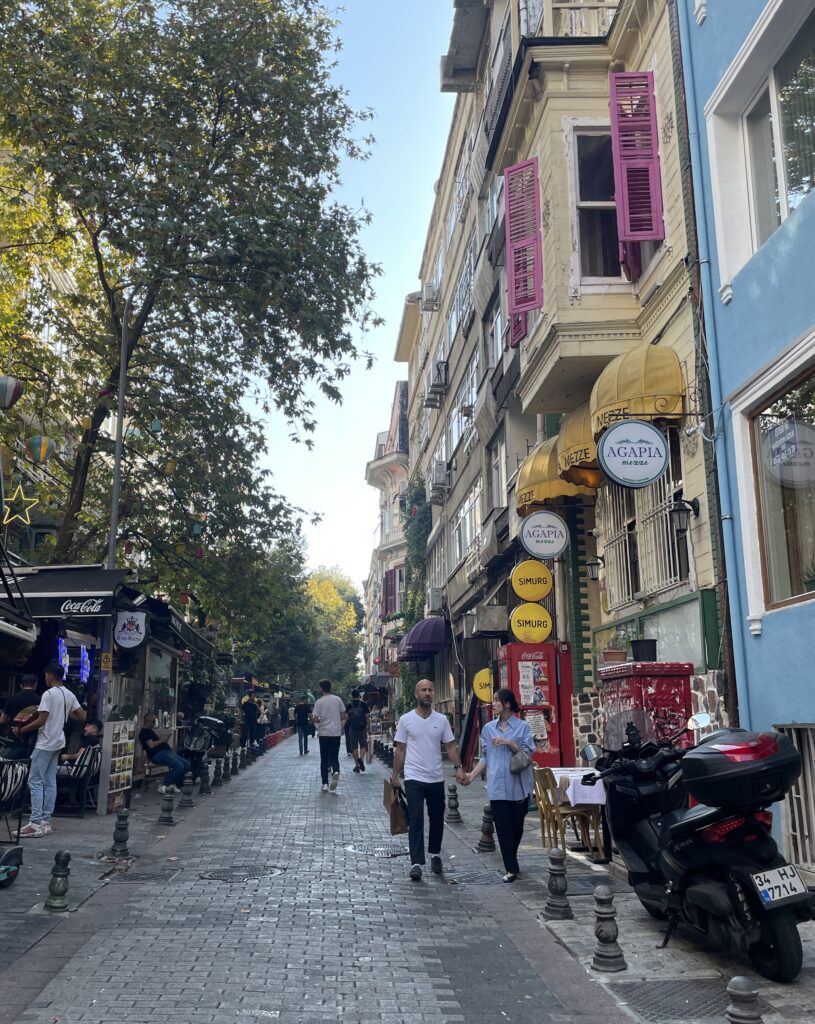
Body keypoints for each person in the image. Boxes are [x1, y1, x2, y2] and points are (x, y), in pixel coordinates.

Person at [391, 679, 466, 881]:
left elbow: (450, 746)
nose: (427, 693)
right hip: (414, 776)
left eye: (430, 690)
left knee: (436, 818)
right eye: (423, 690)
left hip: (435, 777)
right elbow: (400, 749)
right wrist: (395, 775)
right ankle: (416, 862)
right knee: (415, 819)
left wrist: (459, 768)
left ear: (433, 694)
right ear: (417, 694)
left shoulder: (441, 720)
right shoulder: (406, 720)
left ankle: (434, 854)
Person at [465, 688, 535, 882]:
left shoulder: (523, 727)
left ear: (507, 704)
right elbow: (485, 757)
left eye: (497, 700)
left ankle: (511, 859)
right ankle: (511, 868)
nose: (493, 703)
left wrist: (509, 743)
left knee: (517, 827)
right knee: (503, 827)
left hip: (519, 785)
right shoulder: (488, 729)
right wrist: (472, 775)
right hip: (497, 786)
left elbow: (529, 754)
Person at [14, 662, 86, 837]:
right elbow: (82, 716)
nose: (45, 678)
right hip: (59, 741)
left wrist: (21, 730)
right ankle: (46, 821)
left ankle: (35, 823)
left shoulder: (48, 694)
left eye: (46, 676)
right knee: (50, 780)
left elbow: (41, 720)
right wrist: (64, 713)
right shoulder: (69, 694)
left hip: (45, 742)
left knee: (35, 781)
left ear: (51, 676)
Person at [138, 712, 191, 794]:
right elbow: (151, 745)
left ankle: (171, 783)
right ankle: (164, 784)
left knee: (187, 764)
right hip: (158, 754)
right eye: (153, 722)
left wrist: (163, 740)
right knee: (179, 766)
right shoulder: (144, 732)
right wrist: (162, 740)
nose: (154, 723)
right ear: (147, 721)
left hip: (165, 752)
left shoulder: (150, 731)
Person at [310, 679, 346, 793]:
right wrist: (341, 727)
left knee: (324, 758)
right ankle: (336, 771)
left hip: (324, 733)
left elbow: (315, 718)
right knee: (334, 756)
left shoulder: (319, 702)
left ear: (321, 688)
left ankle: (325, 783)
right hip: (335, 733)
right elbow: (344, 715)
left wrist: (316, 719)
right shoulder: (338, 699)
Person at [0, 673, 40, 759]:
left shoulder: (12, 698)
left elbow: (2, 720)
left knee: (9, 768)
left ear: (21, 685)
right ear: (35, 684)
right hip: (32, 741)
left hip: (13, 741)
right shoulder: (40, 700)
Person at [345, 689, 369, 774]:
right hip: (362, 727)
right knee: (363, 745)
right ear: (359, 695)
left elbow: (347, 717)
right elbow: (367, 716)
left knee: (354, 747)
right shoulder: (364, 704)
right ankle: (361, 759)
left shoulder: (348, 705)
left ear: (352, 696)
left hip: (352, 728)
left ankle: (357, 766)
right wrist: (367, 726)